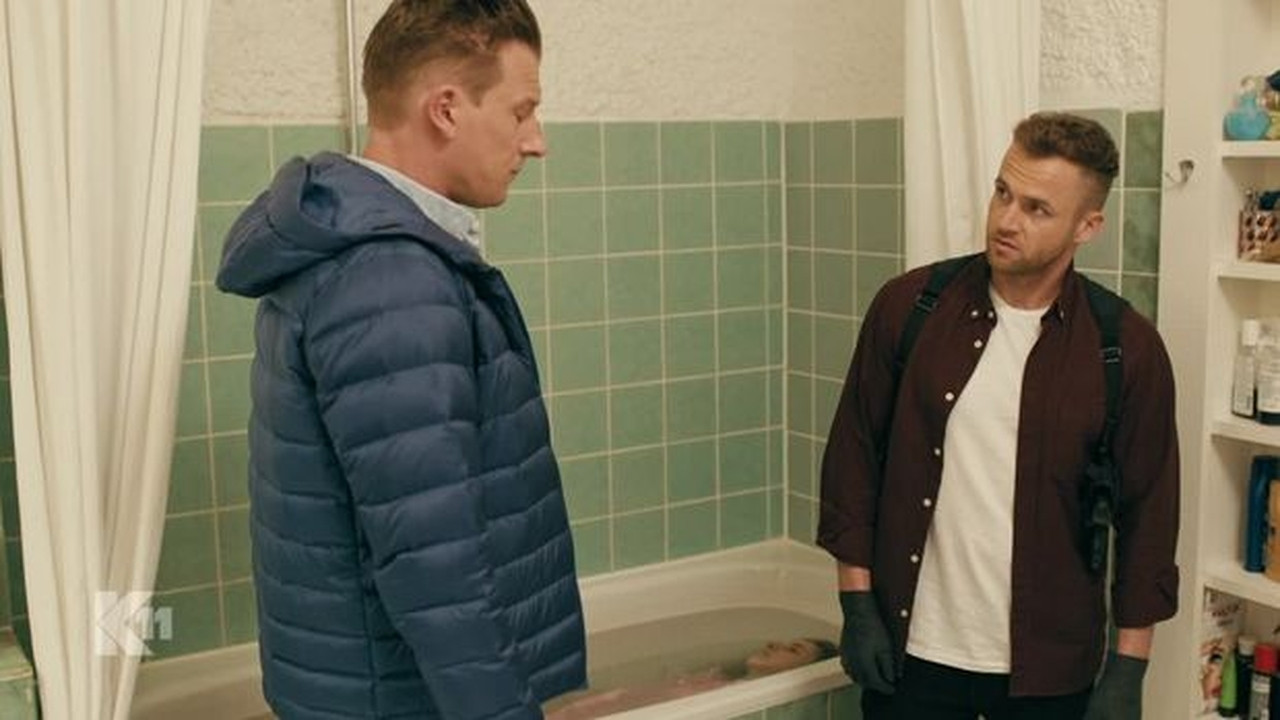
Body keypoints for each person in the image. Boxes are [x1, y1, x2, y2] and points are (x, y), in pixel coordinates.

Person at [215, 1, 586, 718]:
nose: (536, 141)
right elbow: (436, 566)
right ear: (446, 109)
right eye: (521, 111)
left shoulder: (347, 243)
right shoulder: (391, 279)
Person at [817, 112, 1179, 720]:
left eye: (1037, 209)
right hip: (913, 654)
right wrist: (857, 606)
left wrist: (1127, 670)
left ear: (1087, 225)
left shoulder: (1125, 348)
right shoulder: (909, 307)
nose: (1007, 220)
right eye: (1003, 193)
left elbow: (1149, 518)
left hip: (1049, 672)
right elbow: (853, 461)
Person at [543, 638, 838, 719]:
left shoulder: (722, 698)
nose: (774, 644)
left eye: (793, 650)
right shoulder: (711, 679)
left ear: (804, 672)